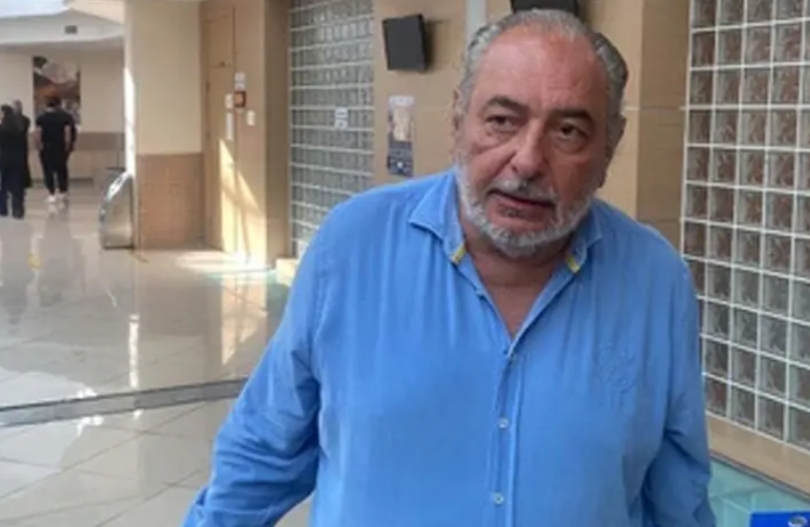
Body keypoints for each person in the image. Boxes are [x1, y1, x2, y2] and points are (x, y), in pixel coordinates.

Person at [183, 9, 714, 527]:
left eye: (568, 131)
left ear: (610, 147)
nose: (528, 161)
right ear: (458, 120)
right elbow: (262, 453)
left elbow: (678, 495)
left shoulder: (655, 280)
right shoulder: (353, 247)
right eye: (502, 121)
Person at [35, 95, 76, 203]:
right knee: (62, 169)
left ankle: (51, 193)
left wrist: (39, 146)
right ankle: (63, 192)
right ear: (59, 104)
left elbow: (38, 134)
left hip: (47, 148)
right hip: (60, 147)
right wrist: (67, 146)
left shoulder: (41, 118)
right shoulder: (66, 117)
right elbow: (67, 133)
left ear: (46, 105)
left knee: (48, 171)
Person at [0, 105, 28, 219]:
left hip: (3, 158)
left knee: (3, 184)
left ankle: (2, 208)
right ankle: (18, 209)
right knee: (17, 185)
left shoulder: (1, 129)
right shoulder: (19, 128)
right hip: (18, 158)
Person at [11, 100, 32, 191]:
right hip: (20, 144)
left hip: (18, 144)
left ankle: (21, 181)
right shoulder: (25, 119)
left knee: (21, 163)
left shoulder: (24, 120)